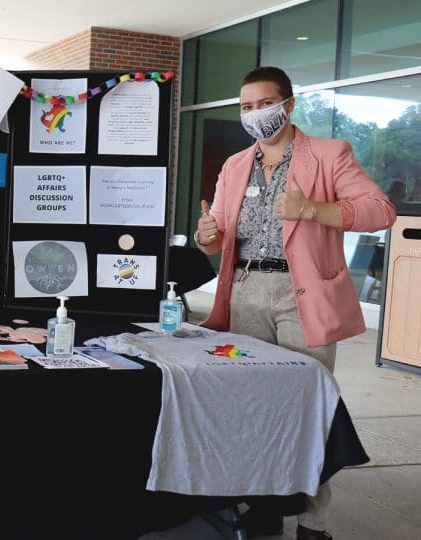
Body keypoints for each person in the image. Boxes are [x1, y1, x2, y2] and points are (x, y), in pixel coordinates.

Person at [195, 67, 395, 540]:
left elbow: (380, 210)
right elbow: (219, 235)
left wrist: (312, 210)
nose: (254, 114)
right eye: (245, 107)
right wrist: (208, 237)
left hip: (301, 294)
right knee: (251, 405)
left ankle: (312, 519)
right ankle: (262, 507)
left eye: (262, 103)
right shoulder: (235, 165)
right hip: (245, 292)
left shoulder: (328, 155)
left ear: (288, 104)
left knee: (309, 409)